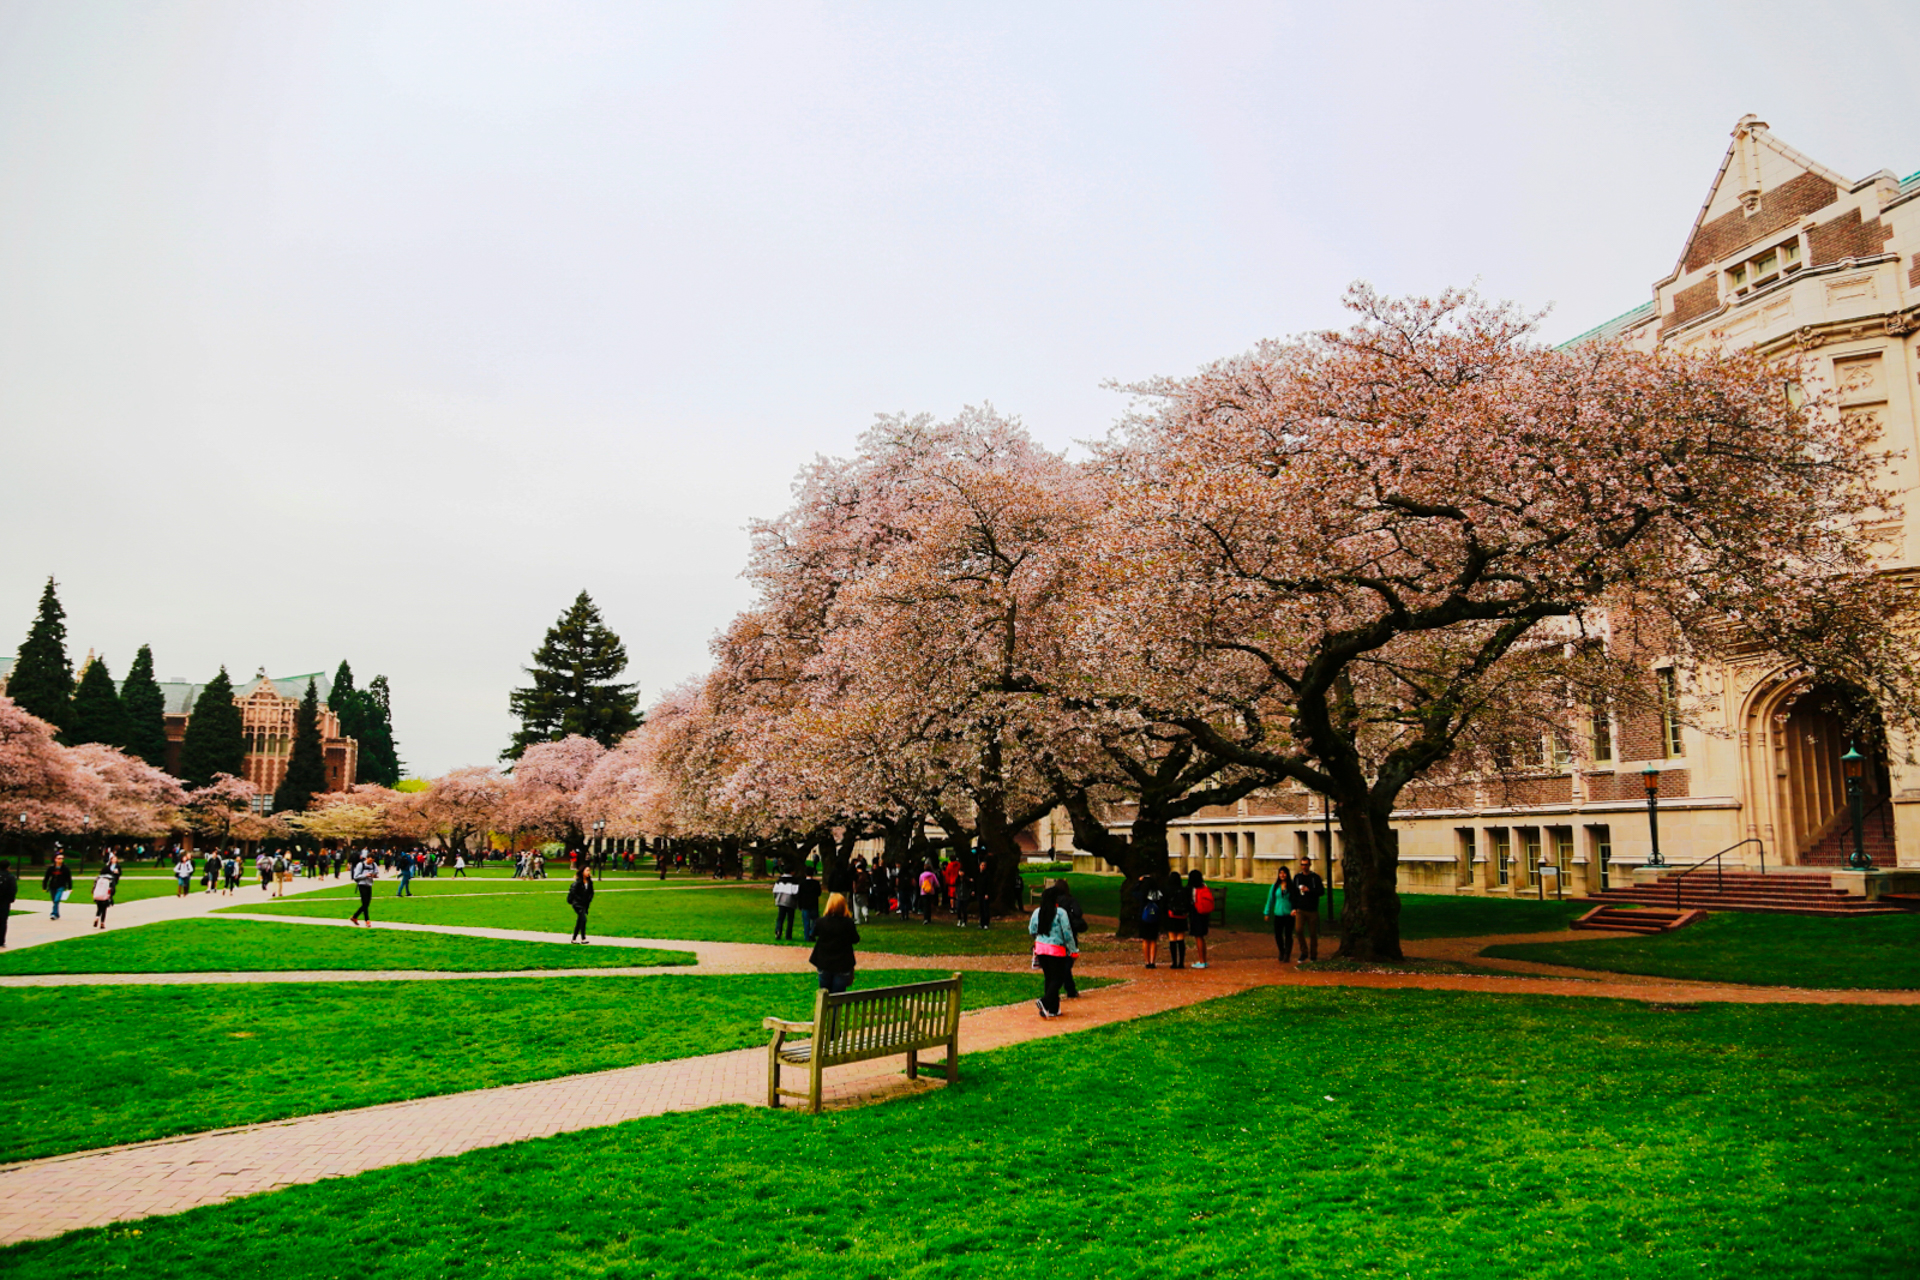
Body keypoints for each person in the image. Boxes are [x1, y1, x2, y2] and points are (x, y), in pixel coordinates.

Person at [1028, 885, 1078, 1019]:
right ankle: (1045, 1001)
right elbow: (1067, 933)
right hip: (1056, 950)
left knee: (1049, 978)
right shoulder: (1060, 913)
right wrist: (1073, 950)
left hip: (1040, 948)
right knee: (1058, 978)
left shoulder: (1037, 912)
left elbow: (1032, 929)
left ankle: (1052, 1009)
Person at [808, 892, 860, 993]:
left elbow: (812, 934)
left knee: (825, 994)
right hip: (843, 963)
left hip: (824, 962)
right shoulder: (848, 923)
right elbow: (855, 939)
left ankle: (826, 1009)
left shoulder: (821, 922)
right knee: (838, 996)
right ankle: (835, 1009)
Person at [1054, 878, 1087, 998]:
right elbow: (1078, 913)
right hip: (1069, 932)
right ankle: (1069, 987)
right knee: (1068, 961)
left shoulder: (1054, 901)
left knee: (1060, 962)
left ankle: (1066, 986)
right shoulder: (1070, 900)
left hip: (1056, 934)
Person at [1292, 856, 1326, 962]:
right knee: (1298, 930)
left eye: (1306, 864)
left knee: (1313, 933)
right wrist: (1294, 907)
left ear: (1309, 865)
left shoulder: (1315, 878)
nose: (1304, 867)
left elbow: (1321, 892)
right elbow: (1294, 893)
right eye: (1302, 864)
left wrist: (1309, 890)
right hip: (1300, 909)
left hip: (1312, 909)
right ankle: (1304, 952)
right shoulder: (1297, 878)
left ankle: (1313, 955)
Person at [1264, 867, 1296, 962]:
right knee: (1278, 935)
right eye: (1280, 873)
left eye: (1284, 873)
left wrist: (1294, 909)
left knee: (1288, 935)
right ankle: (1281, 951)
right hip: (1278, 914)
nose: (1282, 875)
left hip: (1289, 914)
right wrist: (1267, 912)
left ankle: (1287, 954)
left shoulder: (1291, 886)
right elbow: (1270, 900)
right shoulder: (1275, 887)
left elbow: (1295, 899)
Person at [1162, 870, 1191, 970]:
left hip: (1171, 916)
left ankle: (1174, 962)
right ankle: (1181, 962)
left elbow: (1164, 903)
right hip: (1181, 916)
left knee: (1172, 939)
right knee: (1181, 938)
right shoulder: (1183, 890)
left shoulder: (1167, 890)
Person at [1187, 870, 1215, 969]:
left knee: (1198, 937)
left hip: (1196, 913)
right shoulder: (1204, 886)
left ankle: (1201, 960)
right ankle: (1204, 959)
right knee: (1201, 937)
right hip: (1205, 914)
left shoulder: (1193, 889)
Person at [1136, 873, 1163, 968]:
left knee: (1145, 940)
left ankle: (1147, 961)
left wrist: (1139, 882)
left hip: (1144, 916)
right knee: (1153, 940)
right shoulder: (1157, 893)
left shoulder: (1143, 893)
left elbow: (1134, 893)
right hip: (1155, 916)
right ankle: (1152, 961)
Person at [567, 866, 594, 943]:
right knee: (583, 919)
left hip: (584, 904)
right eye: (587, 870)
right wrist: (580, 900)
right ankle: (583, 938)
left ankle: (574, 938)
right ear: (582, 872)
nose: (588, 872)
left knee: (580, 920)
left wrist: (588, 899)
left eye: (589, 870)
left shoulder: (590, 883)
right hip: (577, 904)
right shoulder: (578, 883)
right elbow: (574, 893)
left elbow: (591, 893)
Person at [350, 850, 378, 926]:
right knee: (365, 904)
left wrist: (374, 875)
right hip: (362, 885)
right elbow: (356, 876)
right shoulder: (360, 865)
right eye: (370, 860)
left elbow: (376, 872)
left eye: (372, 860)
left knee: (367, 903)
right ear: (367, 858)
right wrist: (365, 875)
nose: (371, 862)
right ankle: (367, 920)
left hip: (369, 884)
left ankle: (354, 917)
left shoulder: (374, 865)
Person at [42, 853, 72, 921]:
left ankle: (53, 914)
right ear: (55, 859)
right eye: (59, 858)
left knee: (56, 900)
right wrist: (44, 886)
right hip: (52, 886)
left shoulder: (65, 868)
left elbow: (68, 878)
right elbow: (46, 877)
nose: (60, 860)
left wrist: (70, 888)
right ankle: (57, 914)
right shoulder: (51, 868)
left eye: (62, 858)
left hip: (61, 886)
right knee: (54, 901)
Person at [772, 867, 799, 940]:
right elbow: (795, 892)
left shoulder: (779, 880)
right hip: (790, 901)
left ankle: (778, 931)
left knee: (780, 918)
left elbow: (775, 891)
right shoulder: (794, 881)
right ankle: (788, 935)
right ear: (791, 872)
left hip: (781, 900)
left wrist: (776, 898)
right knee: (790, 919)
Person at [798, 868, 823, 941]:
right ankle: (812, 933)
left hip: (805, 904)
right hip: (814, 904)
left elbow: (800, 895)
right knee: (815, 921)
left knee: (806, 922)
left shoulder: (802, 883)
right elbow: (819, 893)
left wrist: (800, 905)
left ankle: (807, 936)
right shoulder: (816, 883)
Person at [0, 861, 17, 947]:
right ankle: (1, 940)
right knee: (3, 921)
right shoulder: (10, 877)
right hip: (4, 902)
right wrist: (11, 899)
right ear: (8, 867)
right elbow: (13, 889)